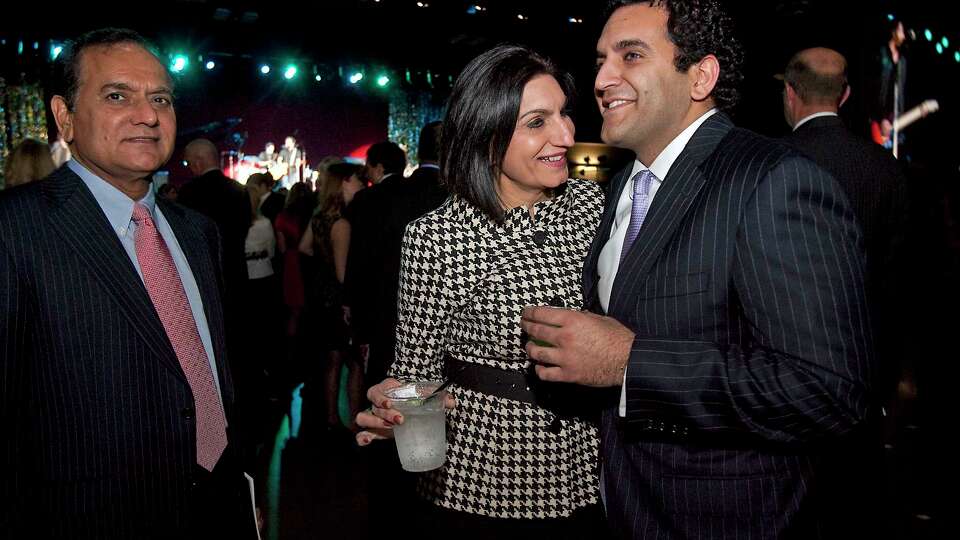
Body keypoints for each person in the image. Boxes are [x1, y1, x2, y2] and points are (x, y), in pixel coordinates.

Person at [519, 2, 873, 538]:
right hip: (626, 505)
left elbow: (825, 392)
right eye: (600, 59)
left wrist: (630, 361)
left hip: (727, 520)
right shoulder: (622, 188)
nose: (602, 78)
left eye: (631, 55)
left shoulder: (772, 182)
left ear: (701, 76)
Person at [0, 28, 256, 538]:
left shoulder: (197, 233)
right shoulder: (15, 230)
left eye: (160, 98)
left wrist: (240, 488)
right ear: (64, 117)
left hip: (217, 509)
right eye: (118, 96)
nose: (148, 115)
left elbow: (213, 376)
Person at [357, 44, 607, 536]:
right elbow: (416, 375)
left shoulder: (592, 204)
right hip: (484, 476)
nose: (565, 135)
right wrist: (392, 405)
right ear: (488, 137)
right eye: (537, 122)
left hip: (590, 465)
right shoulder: (437, 237)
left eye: (564, 114)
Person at [298, 162, 366, 432]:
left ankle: (330, 418)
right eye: (357, 180)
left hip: (320, 295)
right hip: (337, 300)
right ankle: (349, 419)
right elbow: (342, 275)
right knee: (349, 361)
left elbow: (304, 248)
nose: (361, 184)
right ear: (344, 183)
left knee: (332, 360)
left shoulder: (320, 216)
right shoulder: (341, 223)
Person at [343, 140, 407, 387]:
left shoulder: (366, 199)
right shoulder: (414, 194)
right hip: (407, 293)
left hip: (373, 296)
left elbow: (357, 254)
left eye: (368, 166)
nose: (367, 173)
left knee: (373, 368)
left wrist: (349, 298)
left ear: (378, 168)